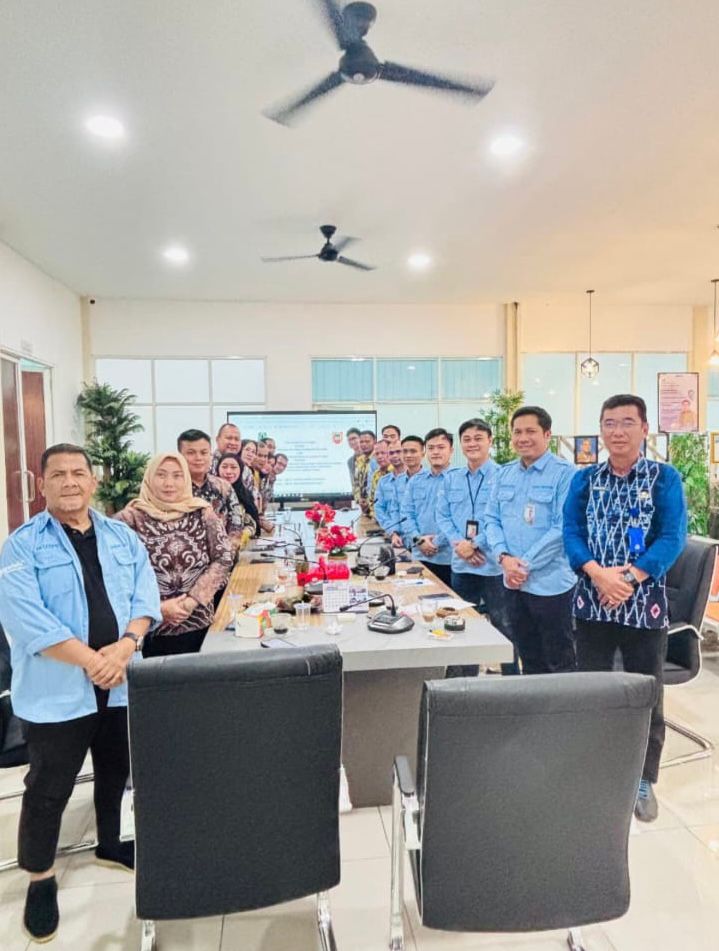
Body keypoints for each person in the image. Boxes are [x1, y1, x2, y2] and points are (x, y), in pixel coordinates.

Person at [0, 443, 161, 942]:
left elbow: (145, 596)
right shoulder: (21, 546)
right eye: (58, 475)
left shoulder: (121, 536)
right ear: (41, 485)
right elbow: (28, 622)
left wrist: (127, 646)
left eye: (78, 473)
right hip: (58, 692)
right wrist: (95, 661)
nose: (69, 482)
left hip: (120, 684)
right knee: (49, 788)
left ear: (93, 481)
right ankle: (40, 877)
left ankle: (111, 842)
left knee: (116, 771)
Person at [563, 393, 686, 823]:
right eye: (609, 423)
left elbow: (672, 537)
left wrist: (629, 579)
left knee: (646, 693)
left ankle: (643, 779)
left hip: (644, 606)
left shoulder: (664, 478)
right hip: (592, 603)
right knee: (592, 691)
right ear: (601, 429)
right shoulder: (584, 479)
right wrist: (599, 574)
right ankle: (595, 770)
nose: (617, 431)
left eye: (627, 423)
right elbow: (571, 533)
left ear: (644, 429)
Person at [485, 406, 577, 675]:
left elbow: (562, 528)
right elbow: (491, 519)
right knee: (528, 655)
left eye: (530, 431)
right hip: (512, 583)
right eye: (517, 432)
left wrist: (522, 565)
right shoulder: (504, 474)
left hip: (551, 585)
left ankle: (563, 704)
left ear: (547, 434)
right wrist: (504, 558)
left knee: (559, 660)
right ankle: (535, 702)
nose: (522, 438)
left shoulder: (565, 473)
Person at [117, 452, 232, 656]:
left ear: (186, 479)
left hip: (199, 623)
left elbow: (223, 557)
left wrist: (192, 600)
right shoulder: (128, 520)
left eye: (177, 476)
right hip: (149, 630)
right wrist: (158, 608)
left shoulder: (202, 512)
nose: (169, 483)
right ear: (149, 478)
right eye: (161, 475)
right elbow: (117, 576)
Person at [436, 418, 513, 675]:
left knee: (504, 626)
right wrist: (460, 545)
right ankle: (463, 682)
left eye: (478, 438)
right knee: (460, 625)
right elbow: (442, 516)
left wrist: (475, 544)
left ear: (490, 441)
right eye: (467, 439)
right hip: (462, 565)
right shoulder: (452, 478)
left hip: (493, 566)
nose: (472, 444)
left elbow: (503, 518)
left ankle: (513, 682)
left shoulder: (503, 476)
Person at [177, 429, 249, 551]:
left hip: (224, 555)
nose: (198, 458)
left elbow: (236, 526)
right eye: (191, 453)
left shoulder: (224, 487)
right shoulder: (172, 489)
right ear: (180, 456)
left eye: (204, 452)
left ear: (210, 454)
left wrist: (225, 554)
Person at [400, 428, 453, 585]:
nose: (435, 452)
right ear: (425, 451)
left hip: (449, 558)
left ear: (451, 450)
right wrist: (419, 540)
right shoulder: (415, 481)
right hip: (420, 556)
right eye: (431, 448)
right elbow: (406, 515)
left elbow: (459, 518)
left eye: (441, 447)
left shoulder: (459, 480)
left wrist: (437, 542)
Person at [388, 436, 425, 547]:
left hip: (424, 541)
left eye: (413, 451)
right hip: (404, 542)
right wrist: (394, 533)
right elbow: (394, 510)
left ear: (423, 454)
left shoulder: (429, 480)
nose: (408, 455)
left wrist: (420, 540)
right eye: (405, 451)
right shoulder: (398, 480)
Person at [216, 453, 259, 537]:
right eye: (224, 467)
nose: (228, 471)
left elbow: (252, 523)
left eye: (233, 467)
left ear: (241, 470)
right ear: (218, 469)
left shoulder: (245, 494)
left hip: (237, 542)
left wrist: (246, 532)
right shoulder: (211, 492)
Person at [374, 445, 408, 533]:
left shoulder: (414, 479)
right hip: (391, 533)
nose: (395, 456)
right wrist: (392, 531)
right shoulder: (383, 481)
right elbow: (379, 508)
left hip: (412, 533)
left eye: (398, 452)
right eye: (391, 453)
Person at [366, 439, 393, 519]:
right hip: (377, 518)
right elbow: (372, 501)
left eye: (383, 453)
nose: (379, 456)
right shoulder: (376, 475)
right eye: (377, 454)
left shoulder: (397, 473)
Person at [353, 430, 377, 509]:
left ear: (374, 442)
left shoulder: (379, 459)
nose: (364, 444)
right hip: (362, 506)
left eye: (367, 441)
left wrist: (369, 501)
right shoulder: (359, 460)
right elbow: (356, 483)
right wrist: (358, 499)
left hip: (375, 504)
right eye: (361, 442)